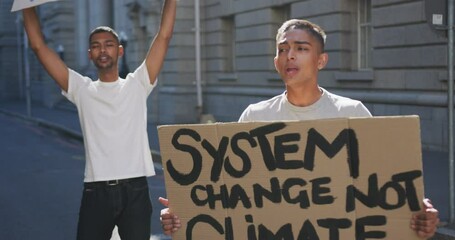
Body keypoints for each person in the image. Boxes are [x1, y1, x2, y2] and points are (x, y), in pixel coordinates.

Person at [158, 19, 440, 238]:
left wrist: (414, 211)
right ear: (275, 62)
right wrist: (186, 210)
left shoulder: (352, 113)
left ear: (321, 60)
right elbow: (232, 195)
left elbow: (383, 182)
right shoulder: (255, 116)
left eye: (301, 49)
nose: (289, 55)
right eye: (283, 49)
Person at [22, 1, 176, 239]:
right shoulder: (81, 88)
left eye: (109, 45)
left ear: (120, 51)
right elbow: (38, 46)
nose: (102, 50)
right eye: (96, 46)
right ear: (90, 54)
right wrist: (27, 4)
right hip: (96, 193)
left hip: (135, 192)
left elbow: (164, 36)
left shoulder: (138, 83)